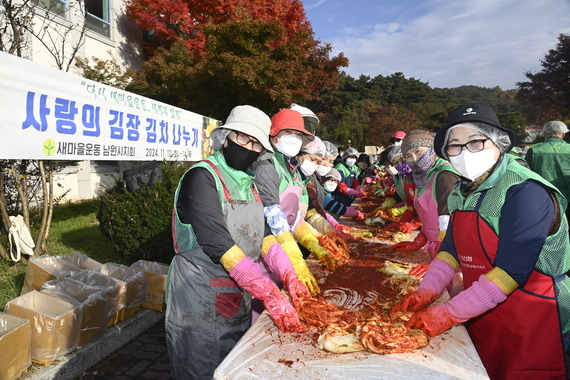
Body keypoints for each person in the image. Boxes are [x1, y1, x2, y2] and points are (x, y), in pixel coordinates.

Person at [392, 103, 570, 380]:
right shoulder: (464, 191)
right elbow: (450, 250)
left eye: (475, 141)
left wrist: (449, 313)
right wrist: (426, 291)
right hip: (481, 305)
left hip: (536, 312)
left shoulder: (525, 190)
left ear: (498, 143)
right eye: (455, 146)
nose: (464, 152)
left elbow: (512, 271)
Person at [166, 105, 307, 380]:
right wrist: (268, 291)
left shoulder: (249, 182)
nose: (249, 147)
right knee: (202, 367)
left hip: (238, 291)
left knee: (233, 364)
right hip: (199, 293)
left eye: (256, 143)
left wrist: (289, 272)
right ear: (226, 137)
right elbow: (217, 241)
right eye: (243, 138)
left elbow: (263, 233)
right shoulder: (202, 176)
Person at [250, 109, 340, 279]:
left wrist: (315, 243)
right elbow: (272, 216)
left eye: (298, 134)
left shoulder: (293, 171)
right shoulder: (266, 165)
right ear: (273, 135)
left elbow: (295, 217)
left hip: (285, 246)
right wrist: (294, 258)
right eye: (288, 132)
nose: (294, 138)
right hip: (266, 251)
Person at [388, 130, 459, 275]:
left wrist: (443, 262)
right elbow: (429, 214)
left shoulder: (445, 175)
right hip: (437, 248)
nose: (414, 159)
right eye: (408, 156)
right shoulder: (423, 176)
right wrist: (421, 239)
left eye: (418, 152)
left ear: (433, 149)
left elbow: (453, 222)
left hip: (453, 254)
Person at [525, 120, 570, 221]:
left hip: (542, 198)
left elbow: (526, 173)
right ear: (563, 134)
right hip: (567, 198)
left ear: (545, 133)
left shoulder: (534, 150)